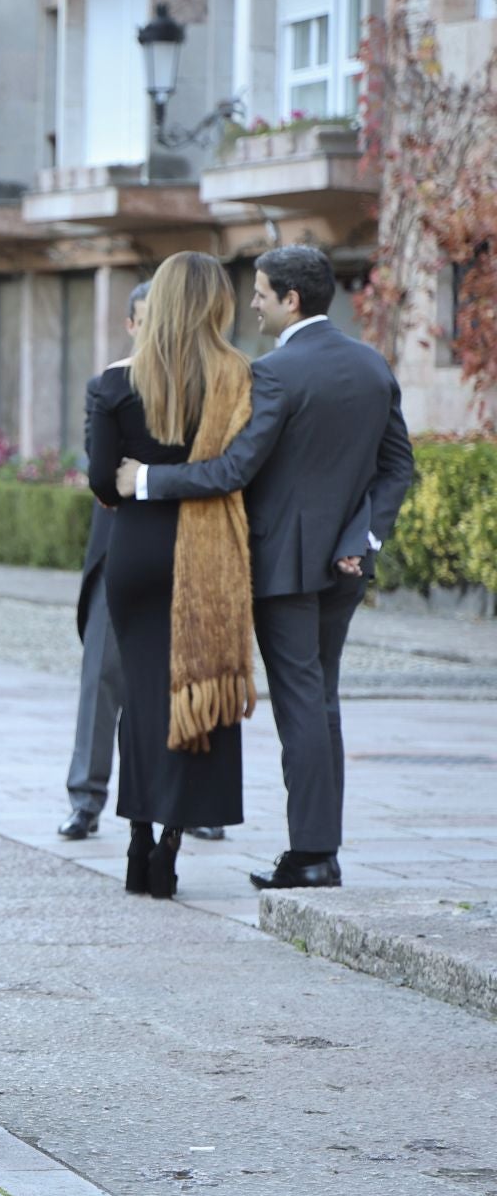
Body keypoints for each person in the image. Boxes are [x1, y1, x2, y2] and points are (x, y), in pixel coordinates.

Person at [116, 245, 413, 890]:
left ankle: (310, 854)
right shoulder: (371, 364)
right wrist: (365, 537)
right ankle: (319, 848)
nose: (251, 302)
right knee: (322, 700)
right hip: (347, 563)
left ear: (291, 300)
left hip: (283, 566)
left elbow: (233, 470)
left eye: (259, 292)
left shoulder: (274, 373)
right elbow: (398, 468)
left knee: (302, 703)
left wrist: (147, 480)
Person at [89, 252, 256, 899]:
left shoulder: (112, 383)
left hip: (134, 552)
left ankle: (135, 843)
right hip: (208, 552)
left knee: (142, 702)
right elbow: (247, 468)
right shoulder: (238, 379)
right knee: (197, 693)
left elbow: (104, 482)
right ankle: (168, 850)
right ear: (216, 304)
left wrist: (135, 484)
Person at [61, 287, 228, 845]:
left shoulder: (209, 382)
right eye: (149, 320)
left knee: (191, 672)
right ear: (133, 325)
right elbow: (103, 476)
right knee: (103, 673)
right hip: (123, 545)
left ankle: (192, 803)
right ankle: (85, 798)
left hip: (193, 546)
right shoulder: (115, 383)